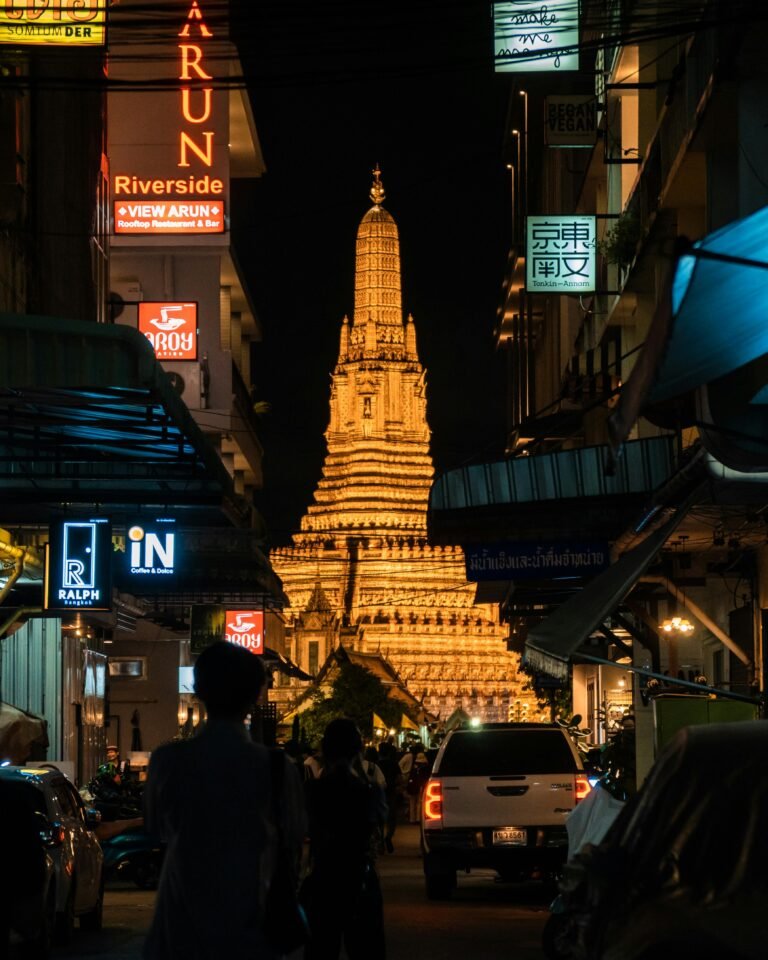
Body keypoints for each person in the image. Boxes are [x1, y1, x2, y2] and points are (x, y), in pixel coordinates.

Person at [143, 642, 306, 960]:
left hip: (179, 929)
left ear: (198, 689)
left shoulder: (167, 760)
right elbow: (294, 843)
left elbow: (154, 827)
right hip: (249, 929)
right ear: (258, 694)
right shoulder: (276, 768)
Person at [302, 718, 386, 960]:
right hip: (360, 879)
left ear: (324, 751)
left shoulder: (312, 792)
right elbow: (378, 825)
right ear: (358, 750)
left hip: (323, 880)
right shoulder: (370, 792)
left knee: (320, 950)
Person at [377, 740, 402, 853]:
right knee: (392, 819)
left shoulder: (375, 764)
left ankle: (381, 842)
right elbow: (399, 779)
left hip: (379, 794)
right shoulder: (394, 764)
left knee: (380, 820)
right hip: (391, 793)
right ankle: (388, 837)